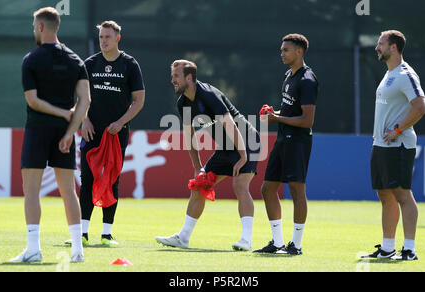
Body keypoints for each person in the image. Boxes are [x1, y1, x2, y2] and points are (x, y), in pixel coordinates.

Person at [11, 7, 91, 263]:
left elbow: (32, 101)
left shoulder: (31, 59)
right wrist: (70, 131)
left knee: (31, 190)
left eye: (35, 26)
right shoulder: (76, 60)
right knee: (69, 191)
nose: (34, 30)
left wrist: (62, 114)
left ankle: (33, 249)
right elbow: (85, 100)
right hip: (63, 134)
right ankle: (77, 250)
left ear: (42, 27)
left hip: (37, 130)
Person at [155, 60, 261, 251]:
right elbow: (190, 137)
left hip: (247, 141)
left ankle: (246, 240)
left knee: (239, 184)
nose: (172, 80)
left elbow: (231, 125)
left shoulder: (208, 95)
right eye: (172, 76)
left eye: (176, 76)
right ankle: (183, 238)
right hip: (226, 148)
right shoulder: (183, 103)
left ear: (189, 77)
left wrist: (243, 156)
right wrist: (197, 167)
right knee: (199, 187)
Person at [67, 20, 145, 247]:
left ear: (117, 38)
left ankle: (107, 234)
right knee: (88, 178)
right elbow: (81, 98)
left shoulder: (130, 65)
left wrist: (121, 123)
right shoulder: (90, 64)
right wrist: (85, 121)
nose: (103, 41)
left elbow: (139, 100)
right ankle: (81, 233)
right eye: (101, 37)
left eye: (107, 37)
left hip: (116, 132)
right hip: (91, 131)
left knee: (112, 178)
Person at [362, 30, 425, 261]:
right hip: (381, 144)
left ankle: (409, 249)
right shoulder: (390, 73)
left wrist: (398, 129)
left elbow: (420, 107)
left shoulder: (405, 74)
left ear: (393, 47)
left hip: (398, 144)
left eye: (380, 44)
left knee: (402, 195)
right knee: (384, 194)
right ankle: (388, 248)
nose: (376, 48)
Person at [254, 34, 318, 255]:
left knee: (297, 191)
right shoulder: (288, 76)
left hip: (298, 141)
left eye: (286, 50)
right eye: (281, 49)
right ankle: (277, 242)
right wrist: (274, 114)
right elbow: (290, 112)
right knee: (267, 189)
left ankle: (296, 245)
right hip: (283, 139)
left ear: (299, 51)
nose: (282, 53)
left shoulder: (307, 80)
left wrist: (277, 119)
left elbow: (307, 120)